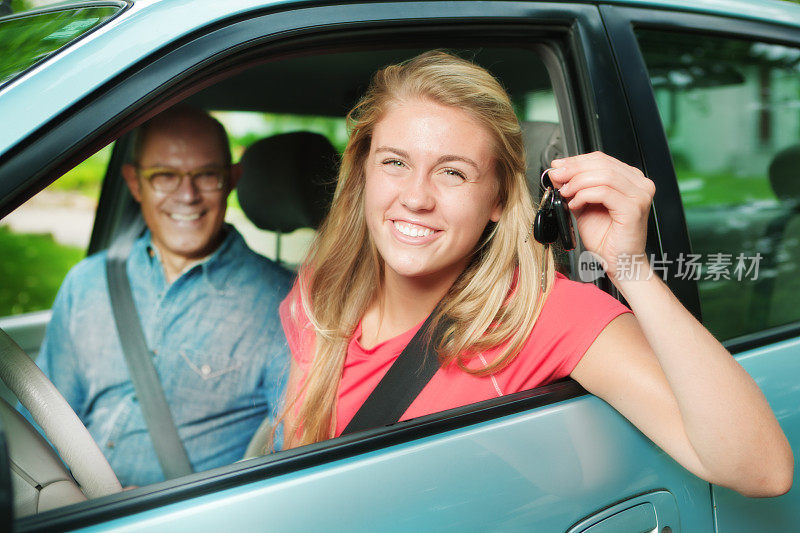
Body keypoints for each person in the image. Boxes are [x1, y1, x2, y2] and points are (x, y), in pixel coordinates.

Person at [278, 51, 793, 497]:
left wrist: (628, 266)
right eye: (394, 162)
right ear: (364, 171)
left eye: (453, 172)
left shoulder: (543, 314)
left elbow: (760, 471)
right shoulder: (321, 292)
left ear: (499, 199)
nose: (416, 197)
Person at [35, 107, 293, 487]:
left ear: (232, 180)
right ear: (135, 183)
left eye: (207, 175)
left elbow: (290, 457)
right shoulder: (88, 282)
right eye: (165, 176)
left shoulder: (285, 302)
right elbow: (42, 426)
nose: (186, 196)